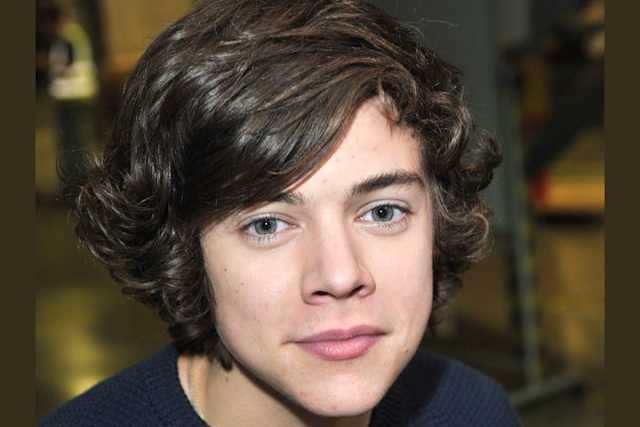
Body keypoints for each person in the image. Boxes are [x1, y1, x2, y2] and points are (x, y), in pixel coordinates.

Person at [40, 0, 520, 425]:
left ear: (437, 224)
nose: (339, 276)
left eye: (382, 213)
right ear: (184, 251)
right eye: (266, 225)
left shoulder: (473, 411)